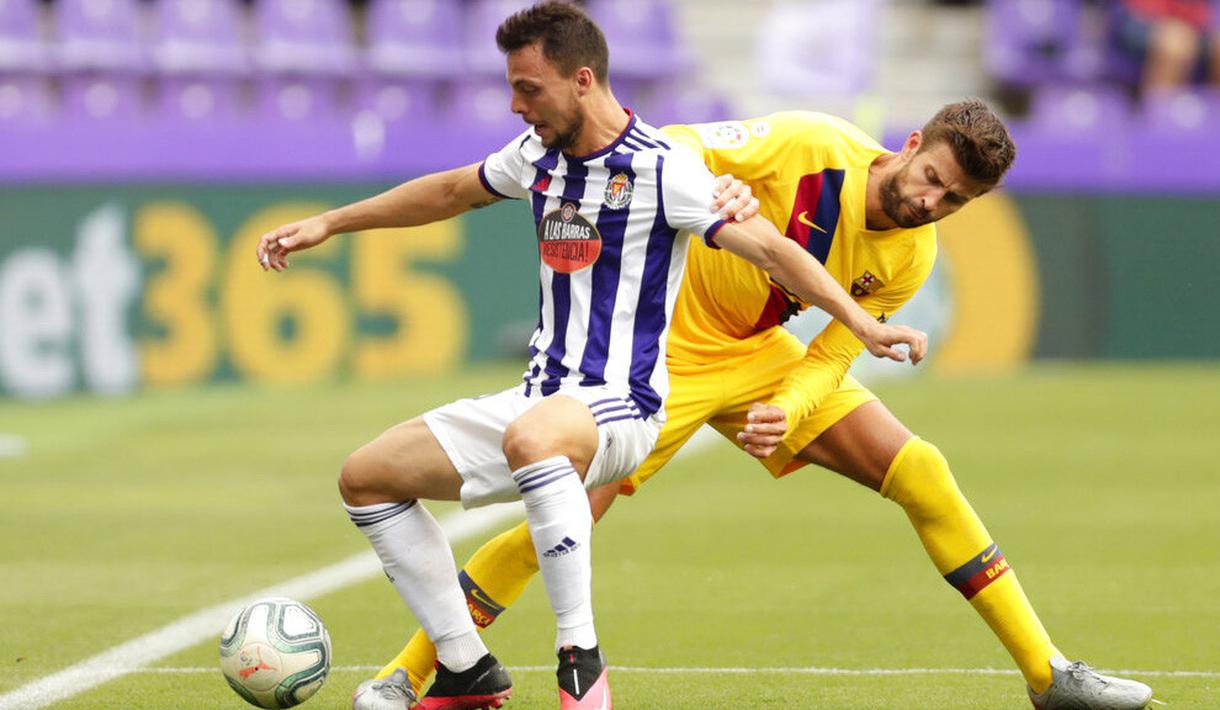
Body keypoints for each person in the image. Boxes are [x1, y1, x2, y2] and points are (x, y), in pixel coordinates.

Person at [353, 103, 1154, 710]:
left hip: (758, 359)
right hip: (660, 355)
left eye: (954, 201)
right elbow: (671, 146)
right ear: (909, 146)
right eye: (933, 179)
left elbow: (835, 353)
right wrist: (715, 180)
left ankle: (1048, 676)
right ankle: (409, 675)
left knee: (921, 470)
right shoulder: (812, 144)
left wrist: (790, 408)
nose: (932, 203)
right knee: (559, 520)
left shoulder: (911, 254)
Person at [257, 4, 925, 710]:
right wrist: (330, 222)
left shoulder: (664, 168)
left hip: (623, 404)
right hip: (540, 397)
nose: (517, 107)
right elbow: (452, 189)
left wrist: (860, 323)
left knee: (533, 437)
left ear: (581, 80)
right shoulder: (537, 157)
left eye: (528, 89)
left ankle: (579, 657)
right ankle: (464, 668)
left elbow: (773, 250)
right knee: (366, 478)